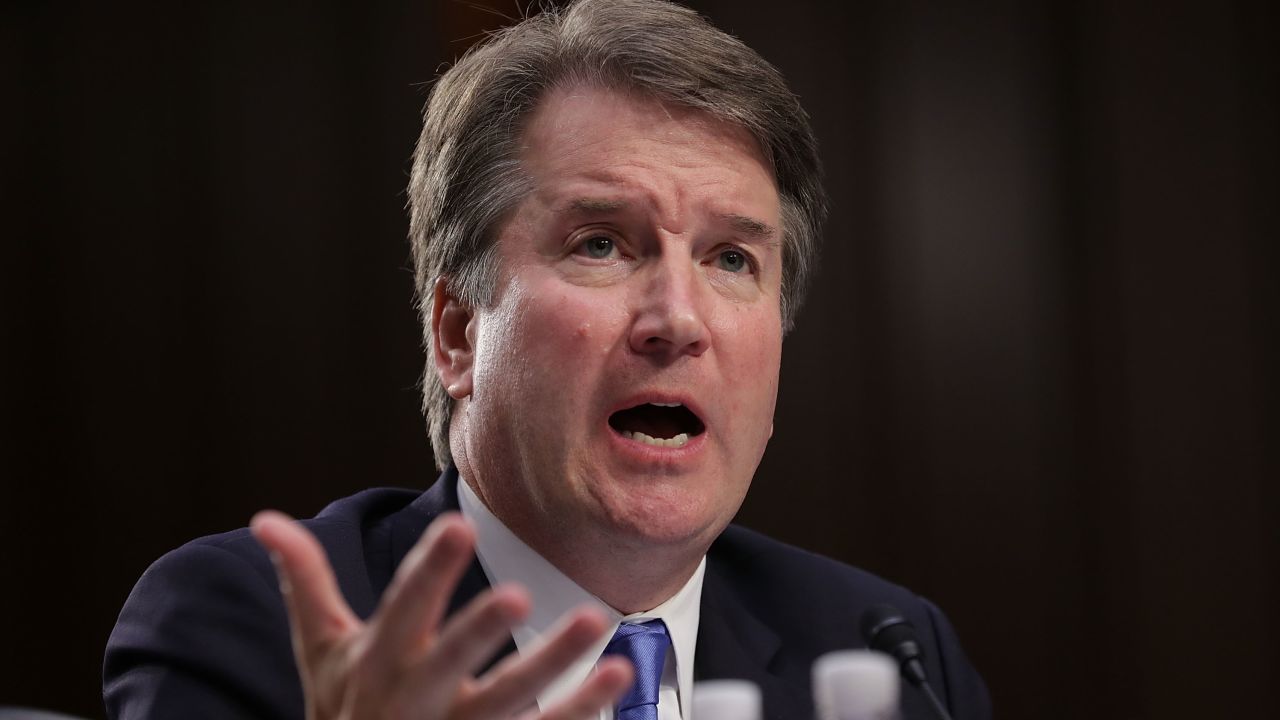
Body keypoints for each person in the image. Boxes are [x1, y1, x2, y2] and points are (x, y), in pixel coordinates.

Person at [104, 1, 991, 718]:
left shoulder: (890, 655)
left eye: (731, 259)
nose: (678, 319)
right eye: (601, 243)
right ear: (457, 333)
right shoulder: (259, 631)